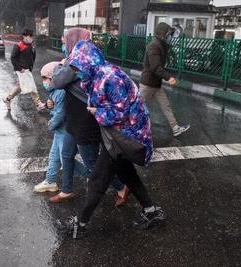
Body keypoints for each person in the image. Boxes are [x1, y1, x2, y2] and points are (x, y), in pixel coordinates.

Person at [55, 40, 165, 238]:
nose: (76, 71)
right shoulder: (95, 75)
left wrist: (97, 111)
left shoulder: (110, 77)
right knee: (126, 173)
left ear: (88, 62)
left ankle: (80, 224)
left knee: (98, 179)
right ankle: (152, 211)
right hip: (117, 134)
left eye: (77, 67)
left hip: (126, 134)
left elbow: (122, 112)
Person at [49, 28, 129, 207]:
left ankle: (121, 186)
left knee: (92, 163)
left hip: (85, 120)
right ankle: (66, 189)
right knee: (67, 154)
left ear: (74, 41)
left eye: (64, 42)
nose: (63, 45)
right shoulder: (75, 60)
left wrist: (61, 65)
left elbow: (57, 81)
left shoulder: (79, 61)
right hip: (74, 118)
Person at [33, 61, 89, 192]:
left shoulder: (60, 91)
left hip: (65, 131)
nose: (44, 81)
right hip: (61, 131)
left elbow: (60, 113)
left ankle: (92, 176)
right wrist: (48, 105)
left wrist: (51, 124)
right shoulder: (55, 90)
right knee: (54, 157)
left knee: (66, 160)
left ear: (54, 77)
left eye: (45, 78)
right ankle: (50, 180)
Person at [140, 22, 190, 137]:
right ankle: (127, 128)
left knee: (166, 105)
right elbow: (155, 67)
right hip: (148, 84)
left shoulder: (160, 45)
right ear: (162, 35)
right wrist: (168, 77)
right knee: (138, 107)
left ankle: (175, 128)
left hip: (155, 83)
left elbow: (158, 67)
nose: (170, 37)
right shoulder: (154, 46)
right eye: (168, 34)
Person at [3, 28, 45, 110]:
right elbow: (13, 58)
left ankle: (7, 99)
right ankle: (38, 104)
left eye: (31, 36)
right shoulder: (19, 46)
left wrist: (30, 67)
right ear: (24, 36)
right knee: (32, 86)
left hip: (27, 70)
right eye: (29, 36)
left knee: (19, 87)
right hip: (22, 70)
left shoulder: (31, 46)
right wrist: (19, 68)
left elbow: (32, 57)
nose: (31, 38)